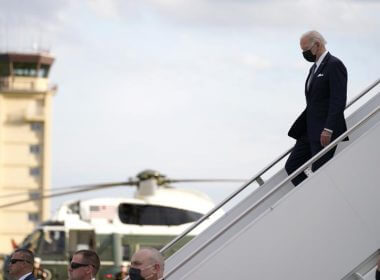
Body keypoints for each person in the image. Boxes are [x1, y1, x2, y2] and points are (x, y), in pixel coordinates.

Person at [285, 30, 348, 186]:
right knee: (292, 166)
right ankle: (309, 192)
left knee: (320, 172)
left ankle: (319, 195)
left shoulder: (334, 65)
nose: (304, 54)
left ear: (317, 45)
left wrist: (329, 129)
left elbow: (338, 99)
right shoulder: (313, 69)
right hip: (309, 130)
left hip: (324, 132)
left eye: (306, 50)